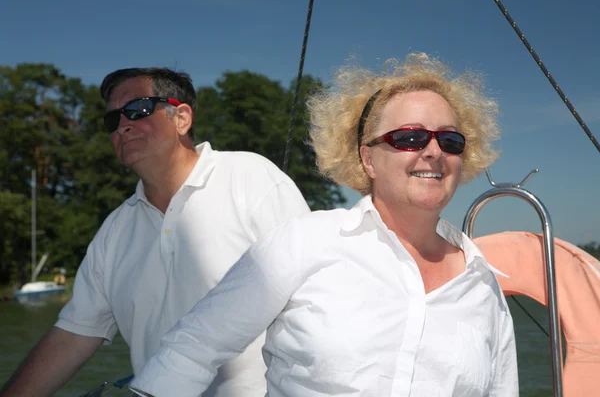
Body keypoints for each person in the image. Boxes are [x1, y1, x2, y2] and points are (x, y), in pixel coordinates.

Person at [129, 53, 519, 397]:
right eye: (410, 137)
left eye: (450, 140)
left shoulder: (481, 283)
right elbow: (195, 345)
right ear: (368, 158)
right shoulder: (304, 243)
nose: (433, 151)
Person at [0, 68, 310, 397]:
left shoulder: (250, 178)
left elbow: (320, 295)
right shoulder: (115, 232)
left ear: (182, 118)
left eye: (138, 109)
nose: (123, 124)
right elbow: (72, 336)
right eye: (112, 119)